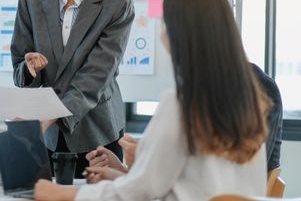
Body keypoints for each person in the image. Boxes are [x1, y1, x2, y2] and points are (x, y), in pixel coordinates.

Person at [34, 0, 270, 201]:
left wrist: (63, 192)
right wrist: (125, 176)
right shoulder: (248, 105)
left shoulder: (181, 105)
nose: (162, 34)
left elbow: (137, 196)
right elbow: (187, 187)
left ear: (180, 36)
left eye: (165, 24)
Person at [10, 0, 135, 178]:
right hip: (45, 138)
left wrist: (49, 115)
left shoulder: (117, 5)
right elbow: (19, 66)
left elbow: (96, 78)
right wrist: (28, 71)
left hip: (96, 136)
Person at [86, 64, 283, 173]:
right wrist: (124, 171)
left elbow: (231, 174)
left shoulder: (257, 88)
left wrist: (146, 160)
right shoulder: (197, 89)